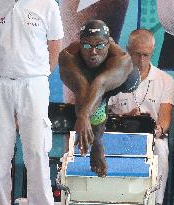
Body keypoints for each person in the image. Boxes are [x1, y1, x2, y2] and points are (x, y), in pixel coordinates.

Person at [0, 0, 64, 204]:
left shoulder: (48, 5)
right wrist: (5, 67)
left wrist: (36, 73)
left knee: (36, 149)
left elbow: (55, 45)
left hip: (33, 84)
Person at [59, 19, 140, 177]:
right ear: (80, 43)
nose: (93, 52)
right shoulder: (68, 56)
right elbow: (82, 89)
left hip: (120, 80)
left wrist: (83, 116)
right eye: (87, 45)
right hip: (90, 83)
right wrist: (86, 121)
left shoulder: (120, 58)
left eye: (100, 45)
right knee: (89, 96)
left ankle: (95, 138)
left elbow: (101, 83)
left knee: (104, 87)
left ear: (109, 43)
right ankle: (96, 143)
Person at [108, 29, 174, 205]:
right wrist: (123, 117)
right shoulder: (113, 76)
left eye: (146, 55)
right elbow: (101, 114)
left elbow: (165, 117)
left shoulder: (165, 80)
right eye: (137, 54)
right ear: (128, 50)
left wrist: (158, 130)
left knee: (161, 148)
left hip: (151, 135)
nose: (141, 60)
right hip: (119, 133)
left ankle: (157, 201)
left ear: (152, 52)